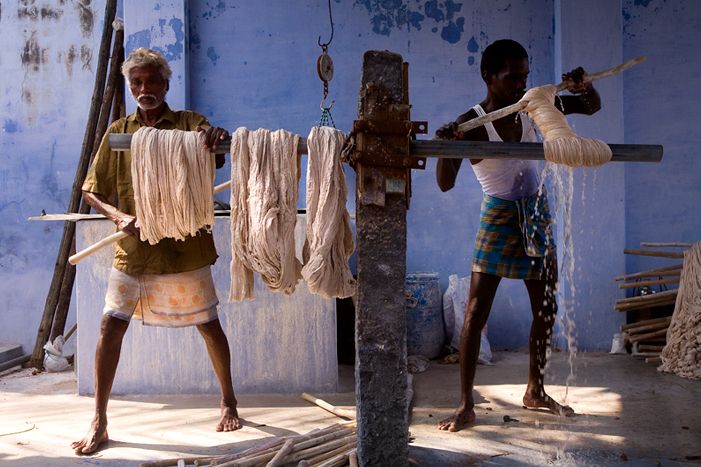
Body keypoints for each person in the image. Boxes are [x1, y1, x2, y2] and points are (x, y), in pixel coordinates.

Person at [72, 48, 240, 455]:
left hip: (185, 246)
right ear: (131, 88)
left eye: (151, 81)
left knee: (208, 324)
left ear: (166, 84)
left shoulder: (189, 124)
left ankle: (229, 400)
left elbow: (215, 147)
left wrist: (215, 139)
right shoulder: (119, 131)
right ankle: (99, 419)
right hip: (136, 247)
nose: (144, 89)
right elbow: (90, 190)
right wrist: (118, 217)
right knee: (111, 326)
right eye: (136, 83)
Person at [435, 39, 601, 432]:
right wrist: (448, 147)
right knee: (475, 313)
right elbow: (444, 183)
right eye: (512, 78)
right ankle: (465, 404)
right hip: (497, 214)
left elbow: (591, 106)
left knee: (545, 309)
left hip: (536, 212)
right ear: (489, 78)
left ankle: (535, 391)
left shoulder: (535, 108)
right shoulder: (471, 124)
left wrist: (584, 87)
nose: (520, 85)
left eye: (525, 77)